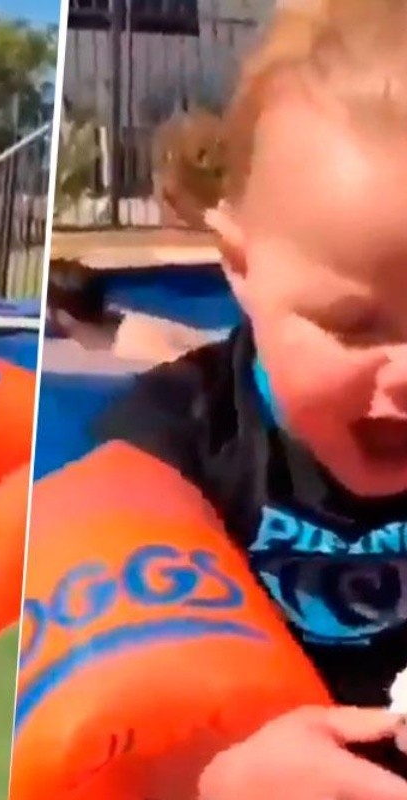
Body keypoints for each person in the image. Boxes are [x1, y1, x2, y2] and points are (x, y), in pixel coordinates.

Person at [79, 0, 407, 797]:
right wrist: (215, 775)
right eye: (354, 325)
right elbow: (95, 723)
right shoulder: (162, 456)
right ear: (240, 265)